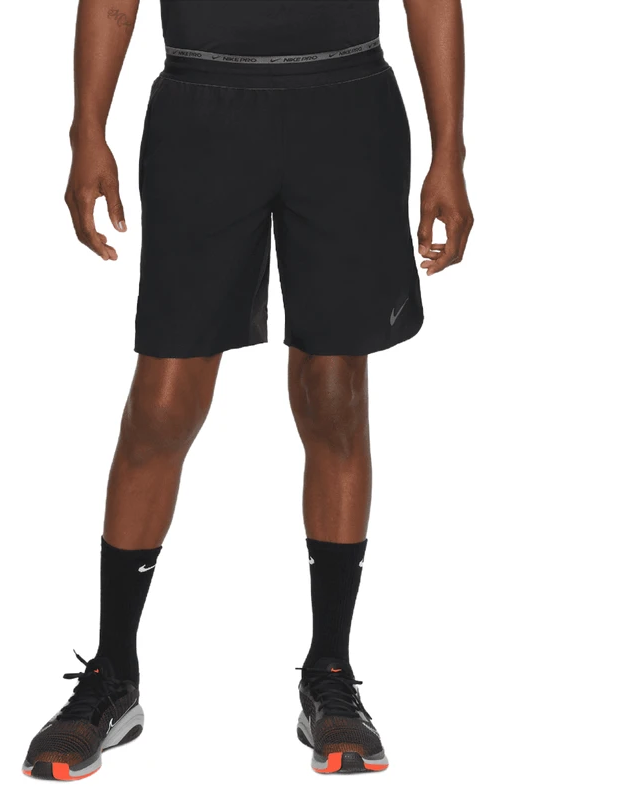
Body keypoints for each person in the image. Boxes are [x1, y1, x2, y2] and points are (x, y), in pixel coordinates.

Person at [23, 0, 473, 780]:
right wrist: (86, 130)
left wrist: (450, 153)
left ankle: (329, 673)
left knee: (334, 395)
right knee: (162, 405)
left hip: (346, 108)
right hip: (201, 110)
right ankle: (113, 673)